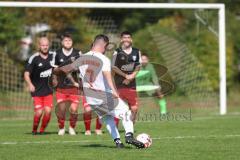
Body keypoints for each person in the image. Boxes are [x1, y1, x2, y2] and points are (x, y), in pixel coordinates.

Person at [54, 34, 144, 148]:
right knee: (126, 112)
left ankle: (118, 142)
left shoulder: (81, 58)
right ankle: (129, 136)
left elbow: (65, 70)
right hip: (104, 95)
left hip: (91, 99)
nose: (105, 50)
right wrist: (115, 91)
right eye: (105, 47)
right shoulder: (103, 59)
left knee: (108, 119)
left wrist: (56, 70)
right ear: (103, 45)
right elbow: (108, 77)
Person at [53, 33, 81, 135]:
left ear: (72, 42)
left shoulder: (78, 53)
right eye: (65, 41)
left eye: (69, 40)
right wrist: (56, 77)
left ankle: (72, 128)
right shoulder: (57, 53)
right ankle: (61, 127)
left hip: (74, 87)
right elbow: (54, 69)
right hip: (61, 87)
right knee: (62, 110)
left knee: (73, 109)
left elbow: (82, 67)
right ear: (62, 42)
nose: (68, 42)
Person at [24, 37, 54, 135]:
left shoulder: (53, 57)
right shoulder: (34, 58)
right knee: (39, 112)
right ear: (39, 46)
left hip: (48, 90)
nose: (45, 47)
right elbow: (26, 74)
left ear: (48, 46)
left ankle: (41, 130)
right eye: (43, 45)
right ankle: (34, 130)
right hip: (36, 90)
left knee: (48, 111)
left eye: (46, 45)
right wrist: (30, 84)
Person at [112, 31, 142, 124]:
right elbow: (113, 67)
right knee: (118, 107)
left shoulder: (137, 51)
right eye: (124, 37)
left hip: (132, 84)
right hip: (119, 84)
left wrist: (132, 76)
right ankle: (115, 129)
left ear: (131, 39)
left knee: (134, 108)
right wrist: (125, 76)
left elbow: (138, 66)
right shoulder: (117, 52)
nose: (126, 39)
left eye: (128, 37)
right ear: (121, 40)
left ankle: (131, 126)